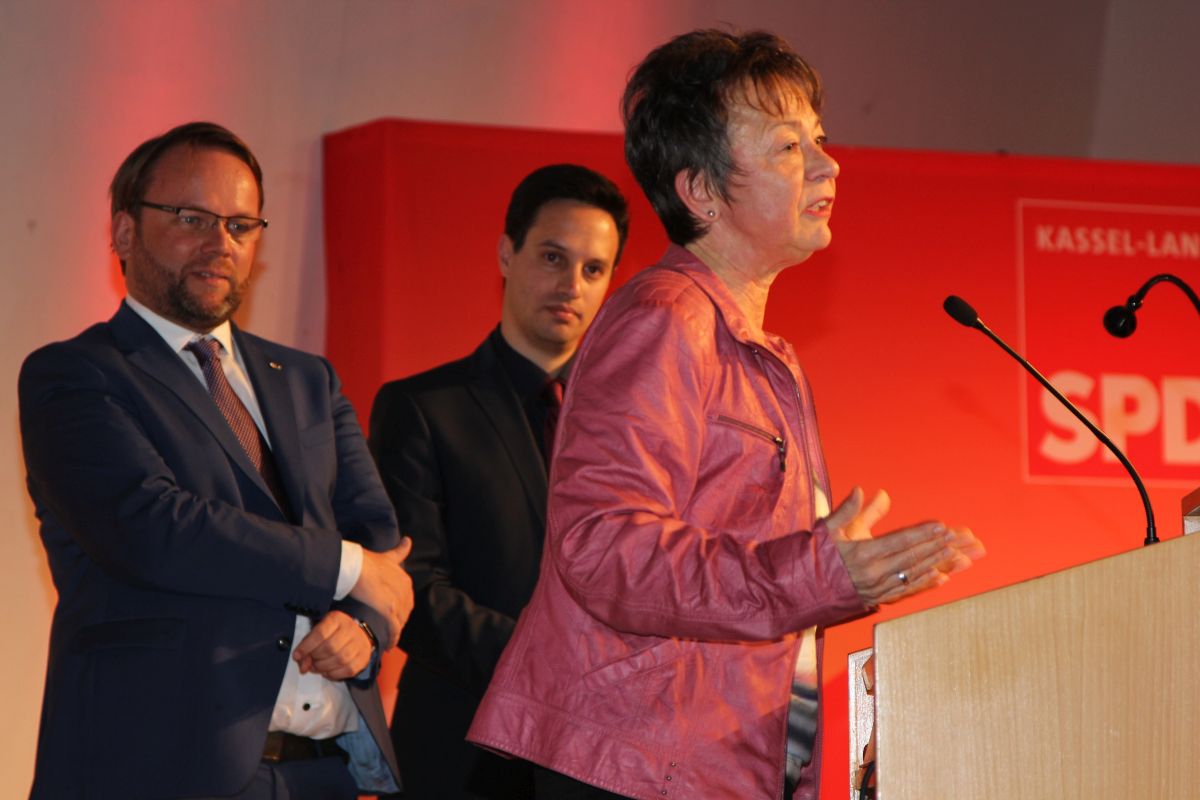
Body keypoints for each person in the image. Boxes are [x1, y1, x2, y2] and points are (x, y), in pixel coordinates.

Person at [467, 30, 985, 799]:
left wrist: (840, 581)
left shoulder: (760, 351)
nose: (828, 164)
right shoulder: (664, 318)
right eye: (788, 146)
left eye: (819, 139)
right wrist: (814, 574)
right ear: (701, 192)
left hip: (713, 767)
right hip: (637, 764)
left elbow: (763, 596)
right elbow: (604, 545)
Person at [19, 121, 414, 800]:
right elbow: (153, 528)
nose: (220, 243)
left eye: (240, 225)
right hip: (157, 769)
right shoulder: (76, 374)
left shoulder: (307, 379)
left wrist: (364, 626)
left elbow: (379, 541)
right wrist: (346, 568)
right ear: (123, 232)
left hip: (323, 770)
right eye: (191, 218)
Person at [369, 164, 629, 798]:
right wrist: (557, 662)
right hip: (463, 755)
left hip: (604, 764)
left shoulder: (635, 424)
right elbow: (412, 590)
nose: (571, 285)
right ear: (507, 254)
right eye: (552, 257)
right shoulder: (422, 408)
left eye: (594, 269)